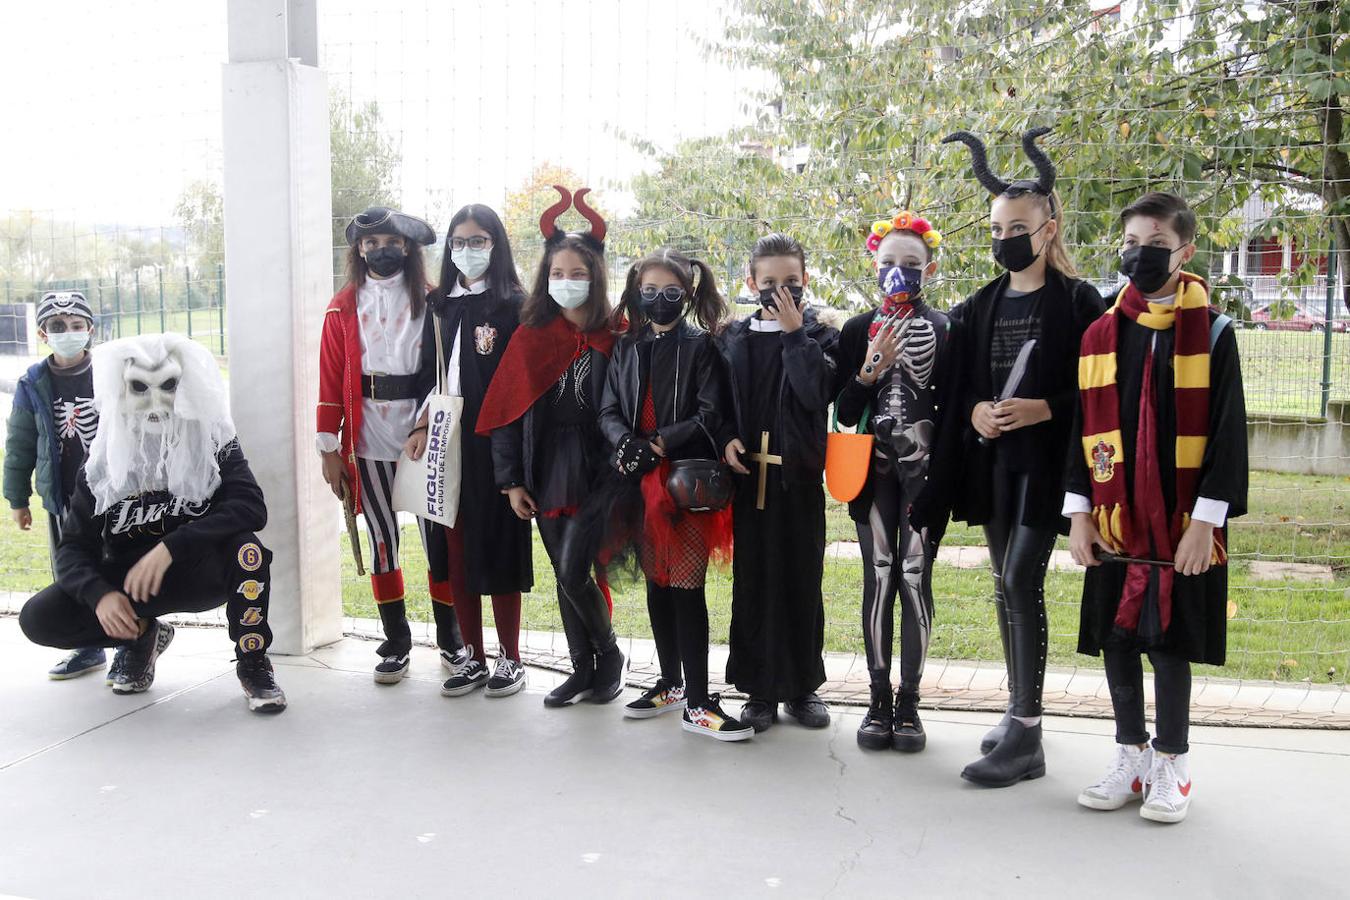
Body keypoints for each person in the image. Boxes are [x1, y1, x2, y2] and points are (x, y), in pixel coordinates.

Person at [930, 127, 1105, 786]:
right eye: (997, 227)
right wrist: (977, 408)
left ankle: (1027, 735)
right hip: (996, 467)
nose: (1006, 237)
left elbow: (1097, 387)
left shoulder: (1080, 302)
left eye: (1019, 226)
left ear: (1049, 228)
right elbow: (963, 384)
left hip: (1049, 467)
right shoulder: (978, 305)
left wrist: (1046, 408)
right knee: (1004, 583)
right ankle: (1019, 710)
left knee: (1018, 581)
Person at [1069, 192, 1247, 824]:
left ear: (1186, 251)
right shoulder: (1101, 335)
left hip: (1180, 523)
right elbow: (1081, 434)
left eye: (1154, 245)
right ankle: (1130, 755)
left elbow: (1227, 433)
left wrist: (1207, 522)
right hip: (1117, 518)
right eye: (1131, 245)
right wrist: (1081, 513)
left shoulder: (1216, 334)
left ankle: (1173, 762)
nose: (1139, 256)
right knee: (1119, 639)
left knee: (1169, 643)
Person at [18, 333, 287, 713]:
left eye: (171, 386)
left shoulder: (213, 441)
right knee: (39, 617)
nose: (157, 402)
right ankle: (141, 636)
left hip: (200, 571)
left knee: (248, 550)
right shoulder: (103, 460)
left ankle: (253, 662)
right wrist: (100, 595)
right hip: (132, 585)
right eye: (140, 388)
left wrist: (172, 546)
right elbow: (72, 548)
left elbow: (250, 507)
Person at [588, 247, 751, 741]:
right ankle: (670, 682)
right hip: (637, 482)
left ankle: (699, 701)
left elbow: (709, 413)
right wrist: (624, 442)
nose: (660, 300)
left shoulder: (702, 347)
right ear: (637, 293)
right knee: (659, 584)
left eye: (671, 292)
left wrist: (660, 442)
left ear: (688, 294)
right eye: (651, 291)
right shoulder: (627, 347)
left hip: (684, 485)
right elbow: (608, 408)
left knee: (685, 587)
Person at [476, 186, 625, 707]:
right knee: (565, 572)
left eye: (578, 274)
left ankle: (609, 656)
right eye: (558, 274)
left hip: (602, 467)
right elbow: (505, 415)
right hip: (546, 466)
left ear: (597, 277)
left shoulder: (617, 335)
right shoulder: (530, 335)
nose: (567, 283)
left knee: (576, 568)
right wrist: (511, 479)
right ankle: (584, 668)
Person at [317, 207, 468, 685]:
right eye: (370, 242)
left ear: (407, 246)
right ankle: (396, 642)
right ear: (358, 250)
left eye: (390, 241)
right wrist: (328, 449)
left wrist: (426, 422)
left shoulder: (433, 301)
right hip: (366, 435)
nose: (380, 249)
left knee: (437, 540)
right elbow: (328, 379)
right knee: (383, 538)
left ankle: (452, 639)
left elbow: (446, 369)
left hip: (424, 434)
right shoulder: (341, 307)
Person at [833, 212, 953, 752]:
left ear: (929, 267)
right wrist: (869, 369)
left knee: (914, 575)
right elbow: (842, 410)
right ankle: (877, 698)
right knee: (879, 574)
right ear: (873, 265)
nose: (899, 273)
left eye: (911, 264)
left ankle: (910, 702)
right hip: (874, 471)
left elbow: (953, 412)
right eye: (889, 264)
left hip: (925, 476)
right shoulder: (858, 330)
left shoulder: (947, 330)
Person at [406, 204, 533, 698]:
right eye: (459, 241)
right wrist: (419, 426)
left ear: (496, 245)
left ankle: (510, 658)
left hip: (495, 444)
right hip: (444, 440)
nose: (467, 249)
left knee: (498, 545)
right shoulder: (439, 306)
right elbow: (425, 375)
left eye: (479, 240)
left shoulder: (513, 306)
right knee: (454, 550)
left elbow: (520, 384)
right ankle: (473, 657)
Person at [717, 233, 837, 733]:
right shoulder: (730, 338)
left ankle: (802, 686)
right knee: (754, 580)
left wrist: (794, 335)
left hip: (798, 479)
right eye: (770, 283)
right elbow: (716, 401)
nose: (780, 290)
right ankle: (759, 689)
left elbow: (817, 393)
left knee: (801, 579)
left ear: (805, 281)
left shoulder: (820, 336)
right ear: (752, 284)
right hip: (748, 478)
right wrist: (725, 438)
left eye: (791, 281)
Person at [5, 291, 107, 680]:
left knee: (117, 564)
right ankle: (88, 644)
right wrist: (17, 497)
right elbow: (19, 444)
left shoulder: (109, 372)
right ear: (43, 334)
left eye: (77, 325)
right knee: (72, 573)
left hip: (113, 496)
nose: (69, 332)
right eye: (58, 327)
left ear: (90, 329)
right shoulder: (33, 383)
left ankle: (136, 640)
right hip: (63, 499)